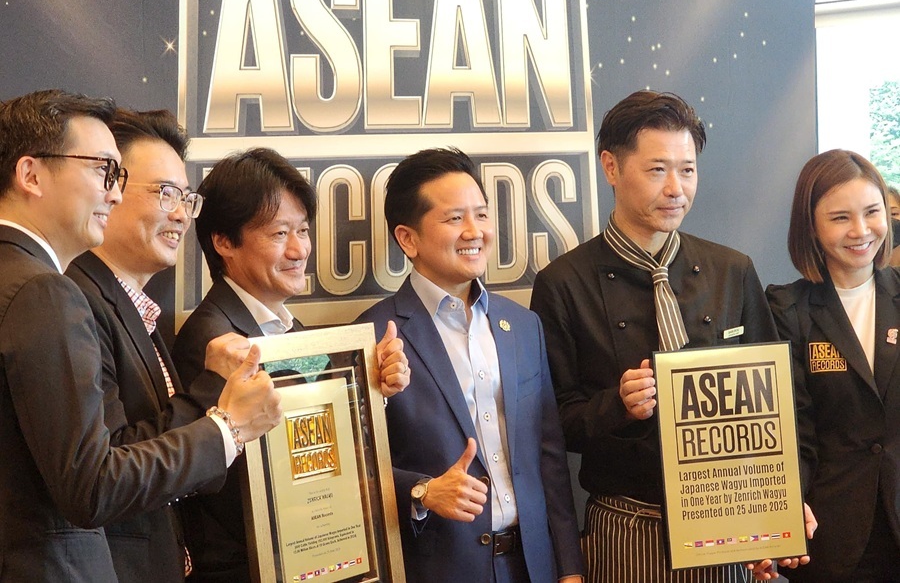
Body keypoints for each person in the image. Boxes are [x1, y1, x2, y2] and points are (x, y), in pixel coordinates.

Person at [529, 90, 813, 582]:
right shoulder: (563, 284)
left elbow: (779, 403)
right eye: (658, 169)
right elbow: (552, 424)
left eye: (688, 169)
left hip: (728, 521)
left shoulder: (733, 270)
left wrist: (779, 512)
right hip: (627, 524)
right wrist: (616, 404)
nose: (676, 188)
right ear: (611, 167)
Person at [0, 90, 281, 583]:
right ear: (31, 174)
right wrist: (228, 427)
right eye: (102, 171)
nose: (110, 192)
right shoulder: (49, 292)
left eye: (185, 198)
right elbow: (93, 484)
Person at [172, 147, 409, 582]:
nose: (299, 249)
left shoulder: (289, 327)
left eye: (303, 229)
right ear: (223, 241)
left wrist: (373, 393)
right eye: (280, 233)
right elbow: (222, 475)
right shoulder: (210, 340)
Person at [356, 147, 583, 583]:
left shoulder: (522, 325)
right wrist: (422, 491)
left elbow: (549, 457)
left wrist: (568, 566)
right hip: (440, 569)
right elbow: (354, 471)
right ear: (408, 238)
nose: (474, 231)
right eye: (454, 218)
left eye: (481, 214)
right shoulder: (372, 335)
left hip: (531, 566)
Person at [63, 108, 248, 581]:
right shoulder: (77, 302)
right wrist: (215, 396)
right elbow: (110, 464)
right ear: (111, 189)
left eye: (187, 197)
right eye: (166, 193)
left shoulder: (136, 307)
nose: (182, 214)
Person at [766, 150, 900, 582]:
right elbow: (790, 432)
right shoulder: (786, 309)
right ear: (811, 226)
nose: (861, 231)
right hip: (830, 537)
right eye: (840, 217)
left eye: (872, 212)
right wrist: (784, 509)